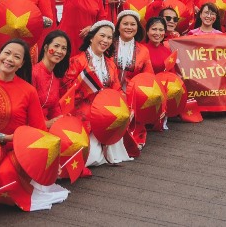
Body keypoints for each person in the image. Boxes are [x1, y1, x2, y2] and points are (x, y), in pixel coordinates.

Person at [0, 39, 66, 211]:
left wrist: (53, 160)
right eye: (7, 53)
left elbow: (39, 129)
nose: (9, 59)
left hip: (18, 149)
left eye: (16, 57)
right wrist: (3, 137)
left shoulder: (28, 91)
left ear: (22, 64)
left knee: (5, 177)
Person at [65, 21, 132, 166]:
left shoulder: (110, 64)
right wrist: (85, 81)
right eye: (102, 36)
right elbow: (68, 91)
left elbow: (117, 89)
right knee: (93, 157)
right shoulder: (77, 61)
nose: (105, 40)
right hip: (84, 109)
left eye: (109, 38)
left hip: (106, 111)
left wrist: (124, 106)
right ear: (91, 38)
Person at [32, 30, 71, 128]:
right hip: (32, 126)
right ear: (46, 47)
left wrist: (61, 119)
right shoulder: (33, 73)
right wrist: (46, 124)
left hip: (48, 125)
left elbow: (54, 108)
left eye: (64, 48)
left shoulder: (55, 76)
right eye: (56, 46)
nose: (60, 51)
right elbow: (27, 109)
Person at [113, 10, 153, 89]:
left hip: (132, 92)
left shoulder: (143, 51)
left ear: (137, 28)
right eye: (125, 24)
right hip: (108, 92)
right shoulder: (108, 45)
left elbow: (148, 76)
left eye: (133, 24)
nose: (129, 27)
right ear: (118, 27)